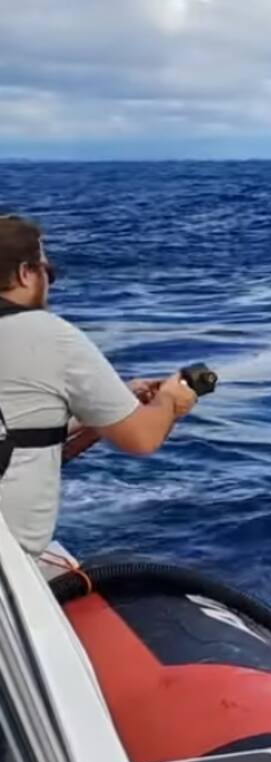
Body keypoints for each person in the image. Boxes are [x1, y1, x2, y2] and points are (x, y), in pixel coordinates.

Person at [0, 214, 198, 563]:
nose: (50, 281)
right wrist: (170, 399)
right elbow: (142, 438)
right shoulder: (47, 334)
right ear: (24, 273)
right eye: (48, 270)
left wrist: (106, 410)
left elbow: (17, 428)